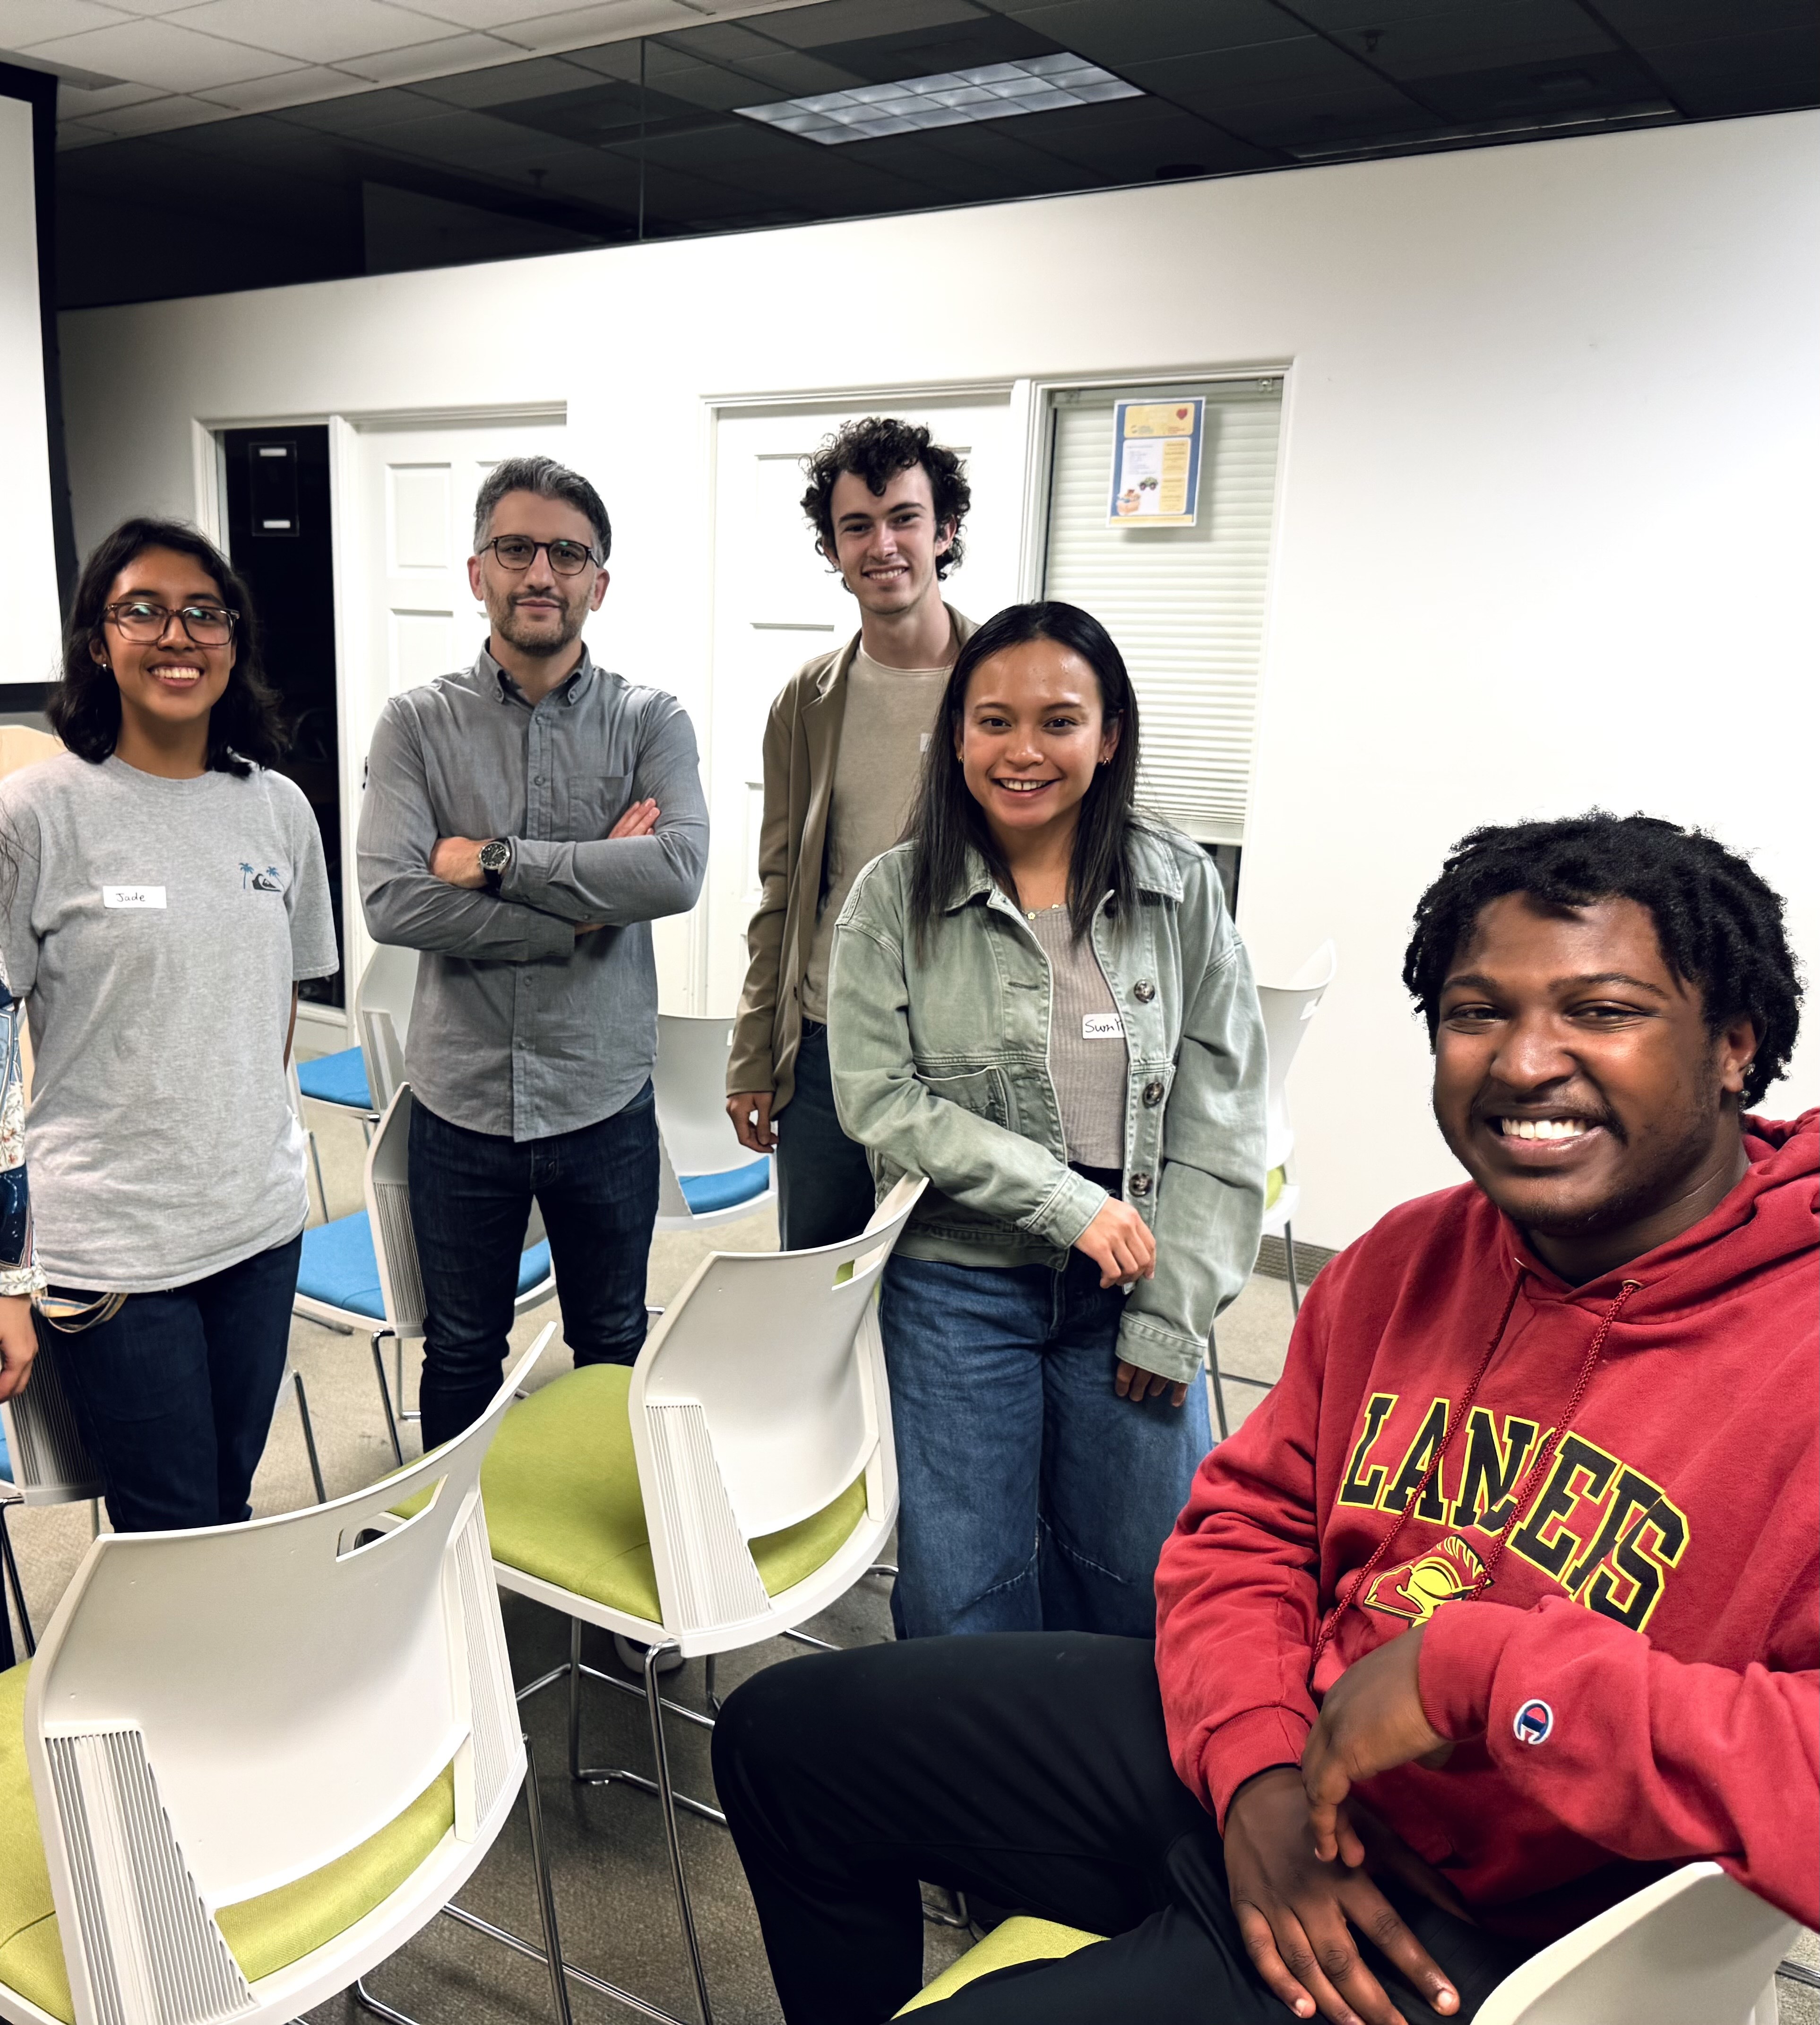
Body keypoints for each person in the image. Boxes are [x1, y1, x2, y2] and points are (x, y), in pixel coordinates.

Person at [712, 811, 1818, 2025]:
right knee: (785, 1739)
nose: (1522, 1063)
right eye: (1477, 1013)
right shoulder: (1411, 1257)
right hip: (1294, 1771)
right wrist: (1257, 1769)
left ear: (1734, 1045)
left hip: (1511, 1924)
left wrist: (1486, 1673)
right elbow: (1248, 1530)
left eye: (1602, 1011)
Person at [826, 601, 1267, 1638]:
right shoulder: (892, 898)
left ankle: (1096, 1751)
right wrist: (1066, 1203)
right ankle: (976, 1750)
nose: (1023, 752)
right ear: (957, 737)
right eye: (994, 722)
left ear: (1108, 737)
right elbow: (878, 1099)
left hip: (1138, 1271)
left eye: (1060, 722)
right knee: (963, 1595)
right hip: (959, 1277)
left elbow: (1225, 1115)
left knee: (1142, 1581)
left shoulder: (1180, 888)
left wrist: (1172, 1315)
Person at [358, 455, 707, 1450]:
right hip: (460, 1102)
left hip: (602, 1097)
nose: (541, 573)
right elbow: (393, 900)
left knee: (613, 1342)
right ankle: (455, 1536)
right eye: (515, 549)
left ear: (600, 581)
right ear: (479, 573)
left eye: (567, 553)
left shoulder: (650, 721)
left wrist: (496, 861)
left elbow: (676, 872)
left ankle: (599, 1527)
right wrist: (580, 912)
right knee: (462, 1350)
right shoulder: (417, 725)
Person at [0, 518, 336, 1533]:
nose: (177, 636)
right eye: (142, 611)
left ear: (235, 643)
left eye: (204, 614)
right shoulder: (35, 815)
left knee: (229, 1500)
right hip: (112, 1247)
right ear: (98, 643)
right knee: (171, 1526)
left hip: (258, 1224)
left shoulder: (279, 809)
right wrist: (5, 1276)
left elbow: (273, 1007)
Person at [726, 416, 977, 1250]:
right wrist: (752, 1053)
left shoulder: (1004, 681)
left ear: (945, 531)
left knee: (948, 1286)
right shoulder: (808, 701)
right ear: (833, 549)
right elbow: (783, 891)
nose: (883, 545)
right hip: (828, 1041)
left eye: (905, 518)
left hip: (962, 1048)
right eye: (857, 526)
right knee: (819, 1283)